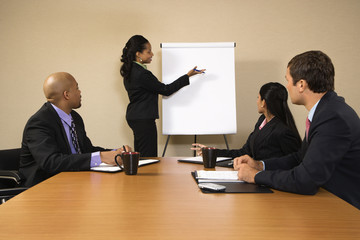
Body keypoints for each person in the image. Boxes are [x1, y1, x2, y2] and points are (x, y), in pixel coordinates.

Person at [234, 51, 360, 209]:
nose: (287, 86)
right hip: (328, 202)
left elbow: (305, 180)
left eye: (288, 80)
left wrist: (256, 176)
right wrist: (260, 165)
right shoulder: (326, 111)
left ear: (301, 84)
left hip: (346, 211)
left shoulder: (332, 118)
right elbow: (299, 157)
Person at [20, 72, 131, 187]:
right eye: (77, 88)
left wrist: (115, 152)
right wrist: (102, 157)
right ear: (66, 95)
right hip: (44, 187)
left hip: (73, 181)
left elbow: (85, 150)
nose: (80, 92)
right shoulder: (39, 122)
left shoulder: (75, 118)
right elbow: (51, 162)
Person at [120, 35, 205, 157]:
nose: (152, 54)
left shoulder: (131, 70)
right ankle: (146, 177)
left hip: (136, 116)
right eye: (148, 51)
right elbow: (166, 90)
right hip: (143, 119)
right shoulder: (142, 74)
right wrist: (187, 76)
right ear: (138, 54)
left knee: (142, 156)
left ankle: (141, 176)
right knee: (149, 156)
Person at [192, 82, 302, 162]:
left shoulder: (283, 131)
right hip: (256, 177)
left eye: (258, 97)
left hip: (271, 183)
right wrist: (212, 151)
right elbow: (244, 152)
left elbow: (294, 163)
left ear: (264, 102)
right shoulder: (262, 121)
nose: (256, 101)